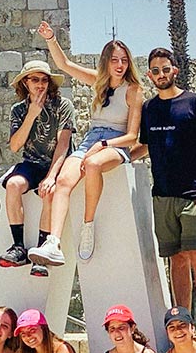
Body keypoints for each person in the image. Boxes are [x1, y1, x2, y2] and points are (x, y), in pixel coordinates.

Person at [30, 21, 143, 266]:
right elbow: (65, 65)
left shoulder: (133, 90)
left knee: (92, 165)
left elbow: (132, 136)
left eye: (124, 60)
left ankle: (88, 225)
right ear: (106, 62)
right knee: (63, 180)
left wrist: (103, 144)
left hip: (115, 142)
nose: (120, 65)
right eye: (114, 60)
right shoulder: (99, 82)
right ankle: (53, 242)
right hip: (90, 139)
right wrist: (51, 38)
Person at [136, 48, 196, 345]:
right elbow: (143, 147)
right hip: (162, 197)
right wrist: (113, 155)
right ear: (150, 76)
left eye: (165, 69)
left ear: (175, 70)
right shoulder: (148, 109)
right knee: (175, 261)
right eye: (155, 70)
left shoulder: (195, 102)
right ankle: (182, 322)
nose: (161, 74)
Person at [0, 61, 76, 277]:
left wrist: (51, 176)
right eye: (34, 80)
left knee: (49, 192)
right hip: (31, 162)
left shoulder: (63, 105)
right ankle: (19, 247)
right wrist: (31, 114)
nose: (40, 85)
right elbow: (15, 145)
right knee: (13, 185)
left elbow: (63, 144)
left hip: (58, 163)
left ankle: (41, 252)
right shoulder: (19, 110)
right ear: (25, 82)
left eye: (43, 79)